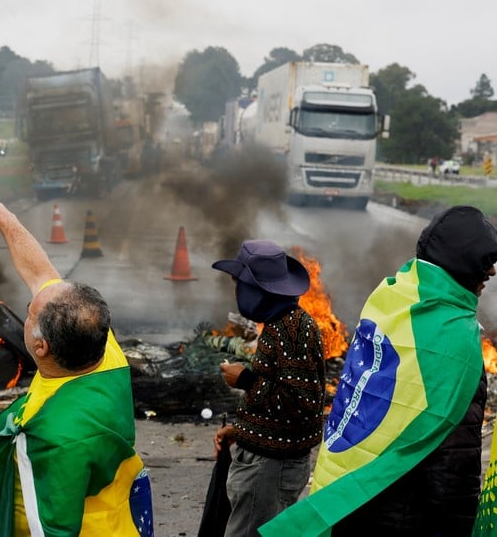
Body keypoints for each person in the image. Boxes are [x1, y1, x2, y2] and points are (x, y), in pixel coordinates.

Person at [261, 205, 497, 536]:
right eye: (485, 263)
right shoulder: (456, 340)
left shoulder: (390, 298)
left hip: (345, 495)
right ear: (464, 265)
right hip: (403, 515)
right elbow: (453, 463)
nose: (491, 273)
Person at [0, 185, 153, 537]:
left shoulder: (53, 436)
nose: (27, 308)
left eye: (30, 314)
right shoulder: (103, 351)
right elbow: (41, 274)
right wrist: (3, 216)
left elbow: (50, 527)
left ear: (41, 348)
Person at [210, 239, 325, 537]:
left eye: (239, 285)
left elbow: (301, 405)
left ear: (256, 289)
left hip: (270, 469)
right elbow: (278, 399)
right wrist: (240, 430)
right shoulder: (278, 323)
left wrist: (245, 380)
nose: (236, 293)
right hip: (263, 462)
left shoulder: (293, 329)